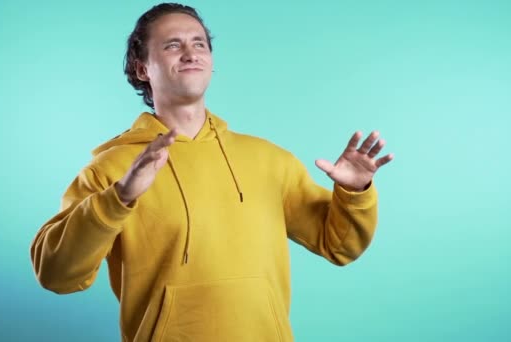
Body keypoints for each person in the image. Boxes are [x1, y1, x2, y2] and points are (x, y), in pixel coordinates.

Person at [30, 3, 394, 341]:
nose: (190, 53)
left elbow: (341, 246)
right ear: (143, 68)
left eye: (199, 43)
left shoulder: (268, 159)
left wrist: (355, 192)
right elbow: (57, 275)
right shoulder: (111, 169)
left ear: (211, 60)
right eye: (173, 45)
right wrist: (119, 198)